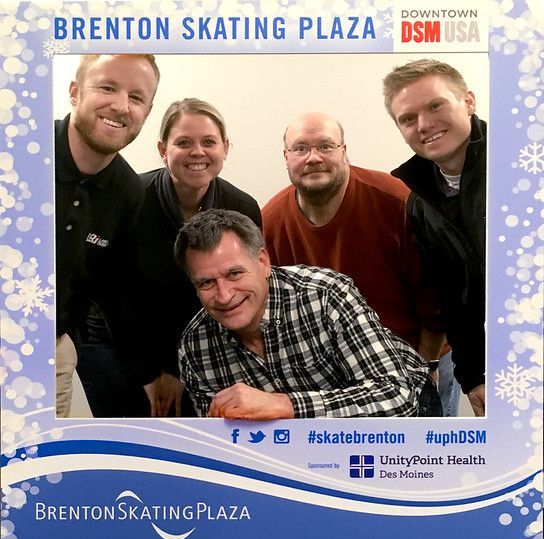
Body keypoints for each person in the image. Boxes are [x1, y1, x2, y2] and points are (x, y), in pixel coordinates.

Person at [175, 210, 442, 420]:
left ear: (263, 262)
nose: (224, 295)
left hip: (411, 412)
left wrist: (285, 405)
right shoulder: (195, 347)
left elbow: (397, 398)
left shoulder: (326, 294)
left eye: (234, 274)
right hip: (298, 446)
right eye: (206, 283)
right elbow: (223, 444)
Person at [261, 111, 446, 405]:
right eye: (300, 148)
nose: (313, 158)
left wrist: (427, 368)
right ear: (286, 156)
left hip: (420, 353)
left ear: (343, 151)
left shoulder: (395, 200)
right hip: (331, 375)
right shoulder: (270, 221)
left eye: (325, 146)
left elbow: (436, 295)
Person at [135, 98, 262, 416]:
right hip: (125, 341)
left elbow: (241, 290)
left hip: (206, 343)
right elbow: (116, 297)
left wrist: (181, 370)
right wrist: (151, 371)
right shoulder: (131, 198)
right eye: (183, 142)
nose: (197, 152)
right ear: (163, 149)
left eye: (209, 142)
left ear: (226, 148)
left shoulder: (242, 207)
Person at [55, 53, 165, 417]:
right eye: (107, 87)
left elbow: (114, 291)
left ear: (147, 112)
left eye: (136, 97)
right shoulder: (18, 147)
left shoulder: (130, 191)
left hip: (52, 350)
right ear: (75, 92)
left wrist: (147, 373)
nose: (120, 106)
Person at [383, 59, 486, 416]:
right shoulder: (414, 195)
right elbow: (452, 296)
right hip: (492, 373)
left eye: (435, 105)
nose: (424, 125)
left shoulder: (523, 164)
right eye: (408, 119)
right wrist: (474, 377)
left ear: (468, 102)